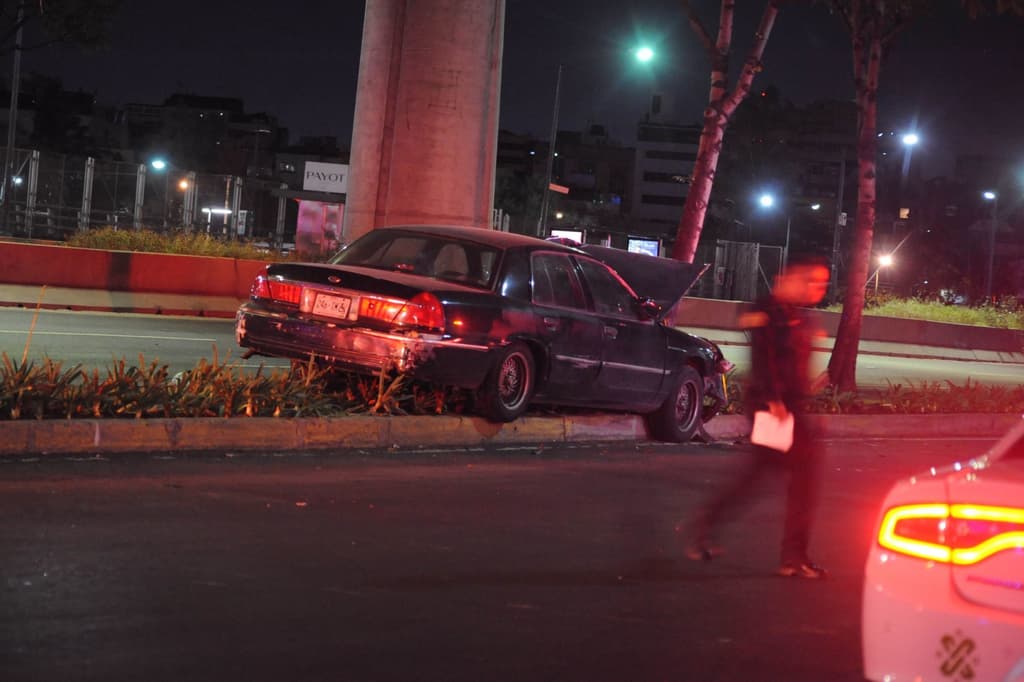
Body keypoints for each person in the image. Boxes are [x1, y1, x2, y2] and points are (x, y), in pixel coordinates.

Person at [684, 254, 831, 578]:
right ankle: (793, 557)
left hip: (790, 409)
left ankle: (707, 528)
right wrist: (775, 402)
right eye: (812, 281)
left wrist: (809, 385)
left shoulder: (796, 316)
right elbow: (763, 358)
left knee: (765, 477)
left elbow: (792, 360)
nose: (818, 289)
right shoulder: (764, 311)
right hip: (774, 410)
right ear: (790, 279)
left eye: (822, 283)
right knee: (793, 480)